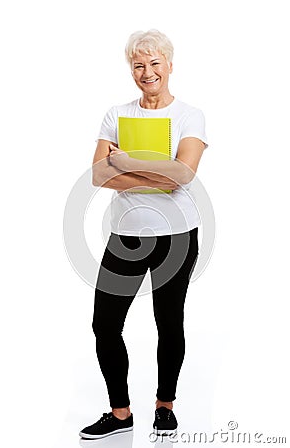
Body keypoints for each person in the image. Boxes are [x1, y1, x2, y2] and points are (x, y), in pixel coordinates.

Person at [79, 29, 209, 440]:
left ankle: (164, 407)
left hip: (176, 236)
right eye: (139, 65)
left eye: (155, 63)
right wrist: (157, 174)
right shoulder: (116, 114)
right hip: (126, 237)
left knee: (168, 324)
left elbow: (185, 173)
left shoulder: (190, 115)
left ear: (170, 65)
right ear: (131, 70)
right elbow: (99, 174)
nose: (147, 72)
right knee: (105, 324)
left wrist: (127, 162)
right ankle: (121, 414)